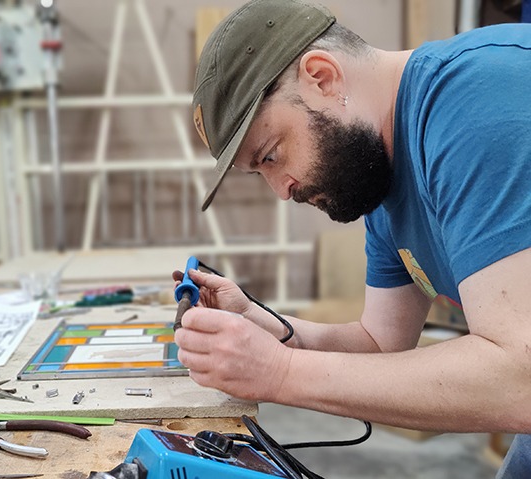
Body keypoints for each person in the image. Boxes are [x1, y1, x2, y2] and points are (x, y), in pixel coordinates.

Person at [173, 0, 531, 476]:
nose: (282, 191)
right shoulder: (382, 175)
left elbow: (520, 379)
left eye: (272, 155)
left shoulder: (474, 104)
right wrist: (269, 329)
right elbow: (380, 344)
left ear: (322, 77)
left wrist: (279, 373)